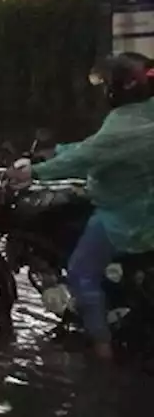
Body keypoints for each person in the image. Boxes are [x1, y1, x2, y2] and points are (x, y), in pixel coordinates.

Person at [12, 53, 154, 361]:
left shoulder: (123, 127)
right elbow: (92, 147)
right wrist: (53, 153)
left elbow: (86, 157)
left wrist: (33, 172)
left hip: (125, 217)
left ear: (119, 89)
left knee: (80, 273)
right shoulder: (144, 114)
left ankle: (102, 348)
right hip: (145, 207)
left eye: (108, 85)